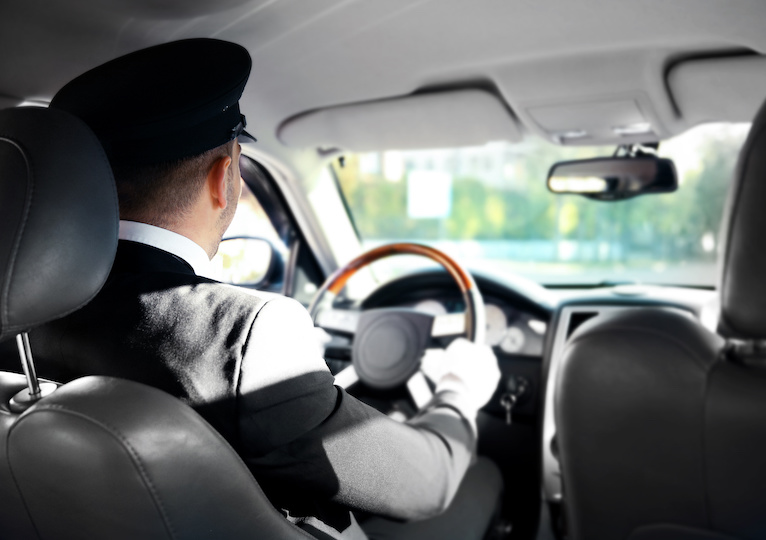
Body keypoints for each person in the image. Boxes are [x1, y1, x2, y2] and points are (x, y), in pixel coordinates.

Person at [30, 38, 502, 540]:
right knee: (482, 482)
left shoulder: (20, 313)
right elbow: (425, 485)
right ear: (224, 176)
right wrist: (457, 394)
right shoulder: (246, 334)